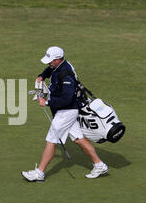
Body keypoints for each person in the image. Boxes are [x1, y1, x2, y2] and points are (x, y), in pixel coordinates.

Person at [21, 46, 108, 181]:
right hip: (67, 111)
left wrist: (47, 103)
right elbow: (50, 69)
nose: (48, 63)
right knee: (78, 138)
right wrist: (42, 76)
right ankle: (99, 164)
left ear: (58, 59)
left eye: (51, 61)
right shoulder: (58, 66)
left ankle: (39, 173)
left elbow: (67, 99)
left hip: (66, 112)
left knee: (51, 141)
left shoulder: (66, 74)